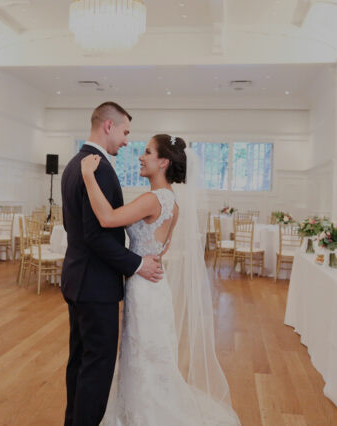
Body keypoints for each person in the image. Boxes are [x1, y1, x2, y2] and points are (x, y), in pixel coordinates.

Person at [81, 134, 241, 425]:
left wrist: (88, 176)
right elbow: (162, 248)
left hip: (143, 290)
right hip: (155, 286)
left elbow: (106, 218)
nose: (141, 157)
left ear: (163, 162)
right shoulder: (173, 202)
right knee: (152, 356)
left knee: (143, 356)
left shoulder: (152, 199)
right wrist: (145, 259)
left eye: (147, 152)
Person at [60, 102, 164, 426]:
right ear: (108, 126)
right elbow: (97, 235)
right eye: (125, 132)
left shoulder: (74, 163)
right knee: (97, 368)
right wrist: (136, 265)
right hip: (95, 286)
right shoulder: (99, 168)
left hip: (77, 278)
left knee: (79, 362)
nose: (126, 140)